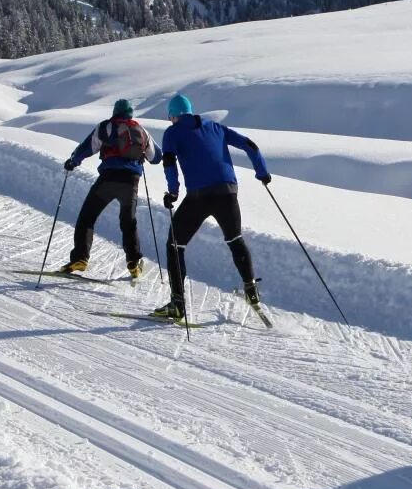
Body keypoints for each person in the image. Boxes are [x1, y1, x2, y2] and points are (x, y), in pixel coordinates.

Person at [151, 93, 270, 323]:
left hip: (199, 196)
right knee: (235, 239)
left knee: (175, 244)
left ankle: (177, 305)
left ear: (173, 116)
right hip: (228, 193)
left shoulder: (172, 133)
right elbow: (251, 146)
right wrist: (262, 173)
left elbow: (168, 162)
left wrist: (173, 192)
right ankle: (251, 290)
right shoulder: (216, 127)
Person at [59, 98, 152, 280]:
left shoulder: (106, 127)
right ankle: (133, 263)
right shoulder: (141, 131)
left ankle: (80, 258)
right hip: (130, 182)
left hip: (108, 180)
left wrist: (72, 162)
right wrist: (140, 156)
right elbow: (156, 156)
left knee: (87, 217)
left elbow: (86, 149)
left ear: (115, 112)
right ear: (131, 113)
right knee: (128, 221)